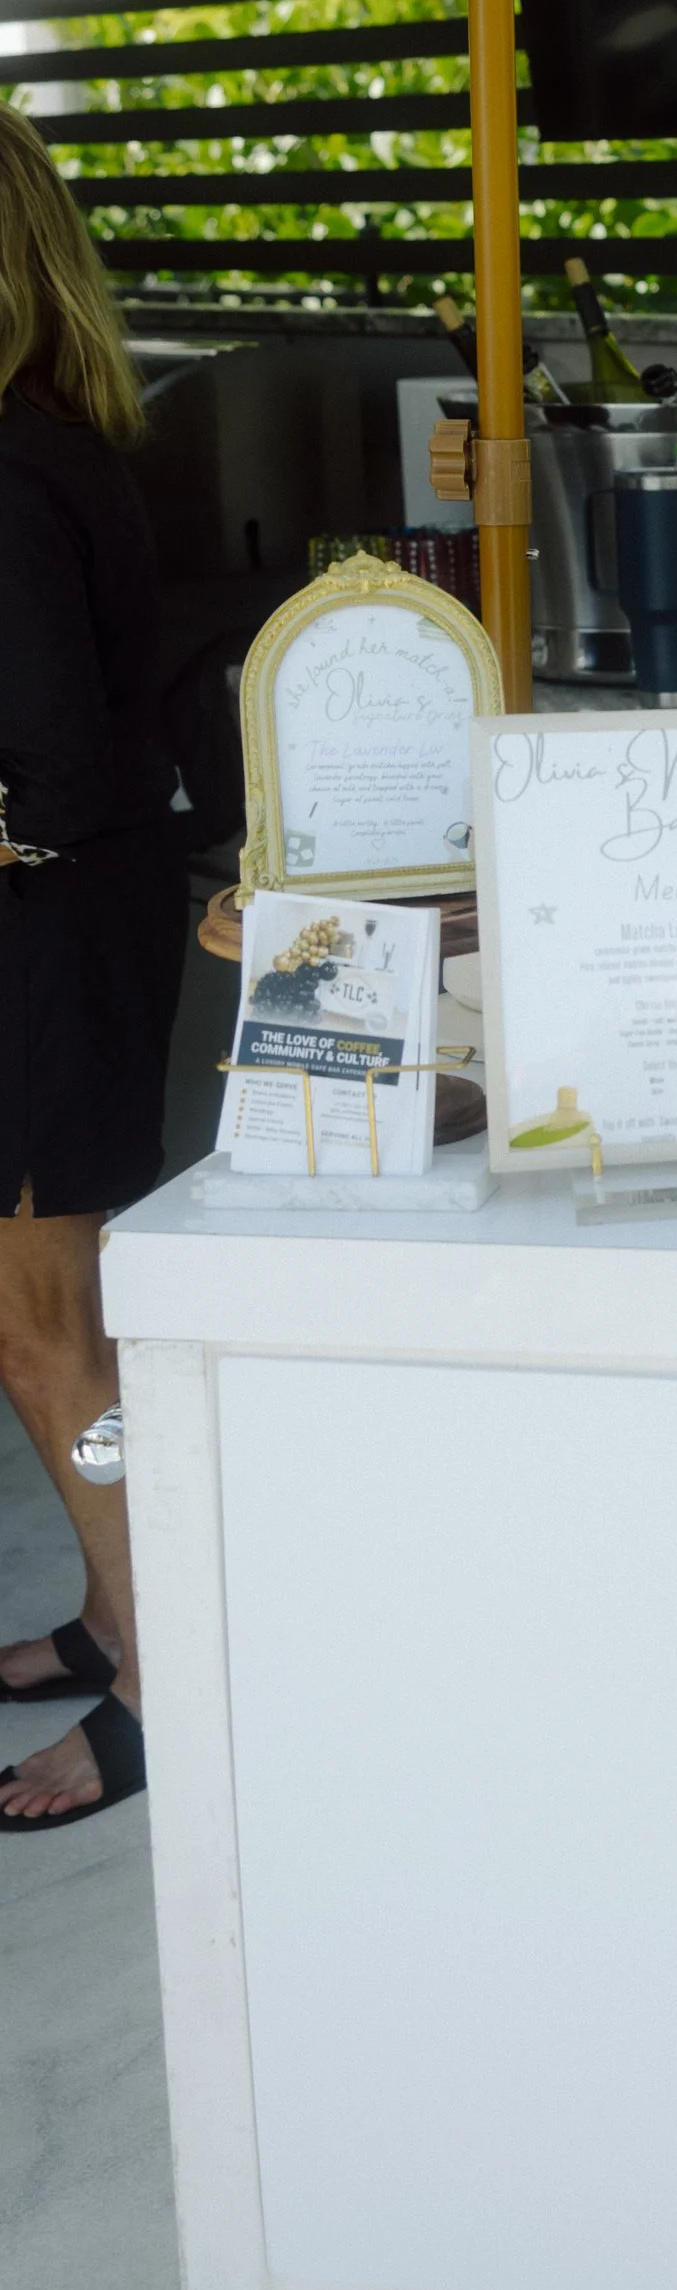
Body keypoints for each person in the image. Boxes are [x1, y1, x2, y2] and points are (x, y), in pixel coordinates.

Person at [0, 103, 186, 1826]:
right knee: (44, 1334)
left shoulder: (3, 461)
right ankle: (114, 1610)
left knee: (61, 1343)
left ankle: (157, 1682)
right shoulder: (48, 439)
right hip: (72, 928)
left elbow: (43, 775)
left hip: (49, 946)